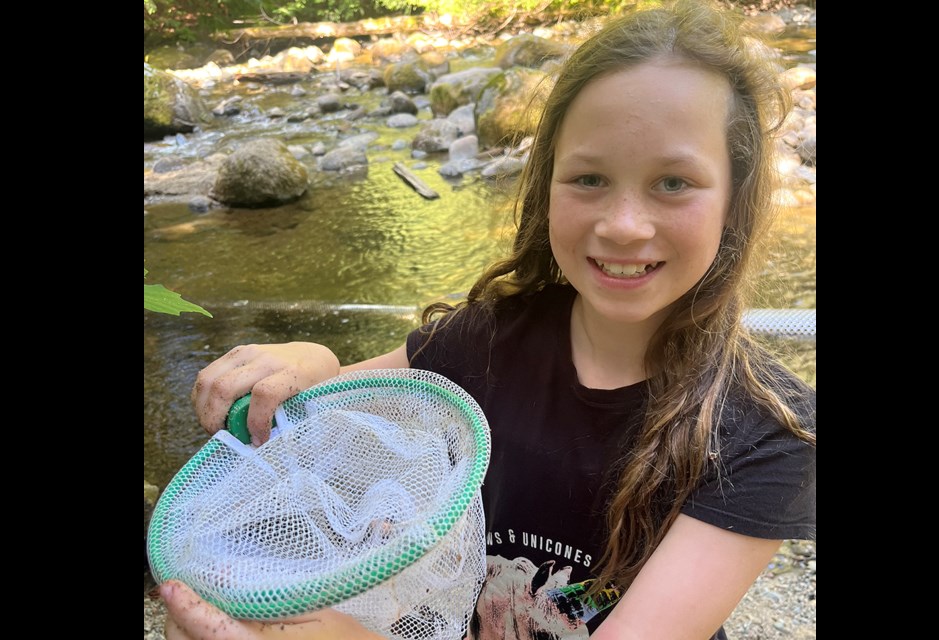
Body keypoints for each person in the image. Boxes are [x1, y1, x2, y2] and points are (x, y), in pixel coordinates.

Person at [161, 0, 816, 637]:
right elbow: (329, 420)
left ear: (736, 199)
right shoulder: (487, 339)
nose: (622, 226)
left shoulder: (767, 435)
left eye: (673, 182)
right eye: (588, 178)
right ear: (545, 183)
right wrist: (314, 363)